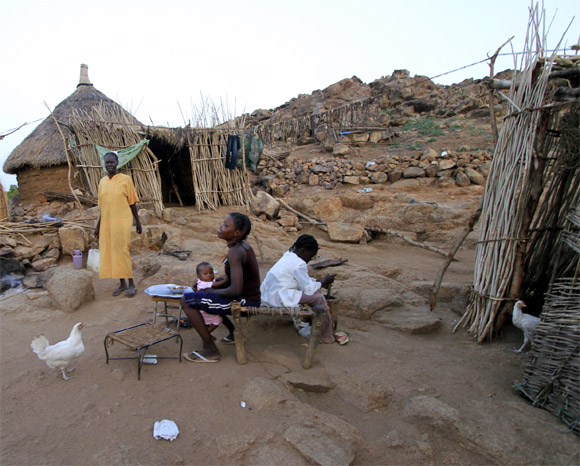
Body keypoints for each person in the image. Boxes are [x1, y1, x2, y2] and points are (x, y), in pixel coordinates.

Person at [181, 213, 261, 362]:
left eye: (225, 225)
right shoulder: (241, 246)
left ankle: (210, 349)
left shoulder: (235, 252)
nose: (220, 227)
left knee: (186, 301)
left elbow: (236, 289)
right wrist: (212, 284)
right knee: (208, 298)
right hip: (247, 297)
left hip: (245, 301)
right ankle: (232, 333)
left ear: (237, 233)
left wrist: (211, 290)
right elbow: (232, 280)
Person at [260, 234, 336, 343]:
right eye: (310, 256)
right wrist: (324, 281)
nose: (309, 260)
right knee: (318, 298)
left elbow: (303, 281)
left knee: (312, 291)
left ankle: (303, 323)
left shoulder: (289, 255)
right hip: (278, 296)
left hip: (270, 293)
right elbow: (308, 289)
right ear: (303, 250)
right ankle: (324, 335)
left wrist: (318, 283)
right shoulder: (299, 264)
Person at [94, 151, 142, 298]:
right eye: (107, 162)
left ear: (117, 163)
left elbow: (132, 203)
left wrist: (138, 222)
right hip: (107, 223)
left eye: (112, 162)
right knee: (112, 252)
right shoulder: (102, 182)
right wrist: (98, 226)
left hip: (122, 222)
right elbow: (104, 208)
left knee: (122, 251)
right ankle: (122, 284)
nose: (109, 165)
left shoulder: (125, 179)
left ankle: (131, 284)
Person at [194, 261, 232, 338]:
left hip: (206, 306)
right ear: (199, 276)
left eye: (211, 273)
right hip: (205, 309)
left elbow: (214, 281)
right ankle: (205, 335)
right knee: (218, 320)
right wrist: (225, 280)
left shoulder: (203, 281)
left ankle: (207, 335)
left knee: (207, 323)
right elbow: (215, 284)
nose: (209, 275)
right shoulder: (203, 283)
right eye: (205, 274)